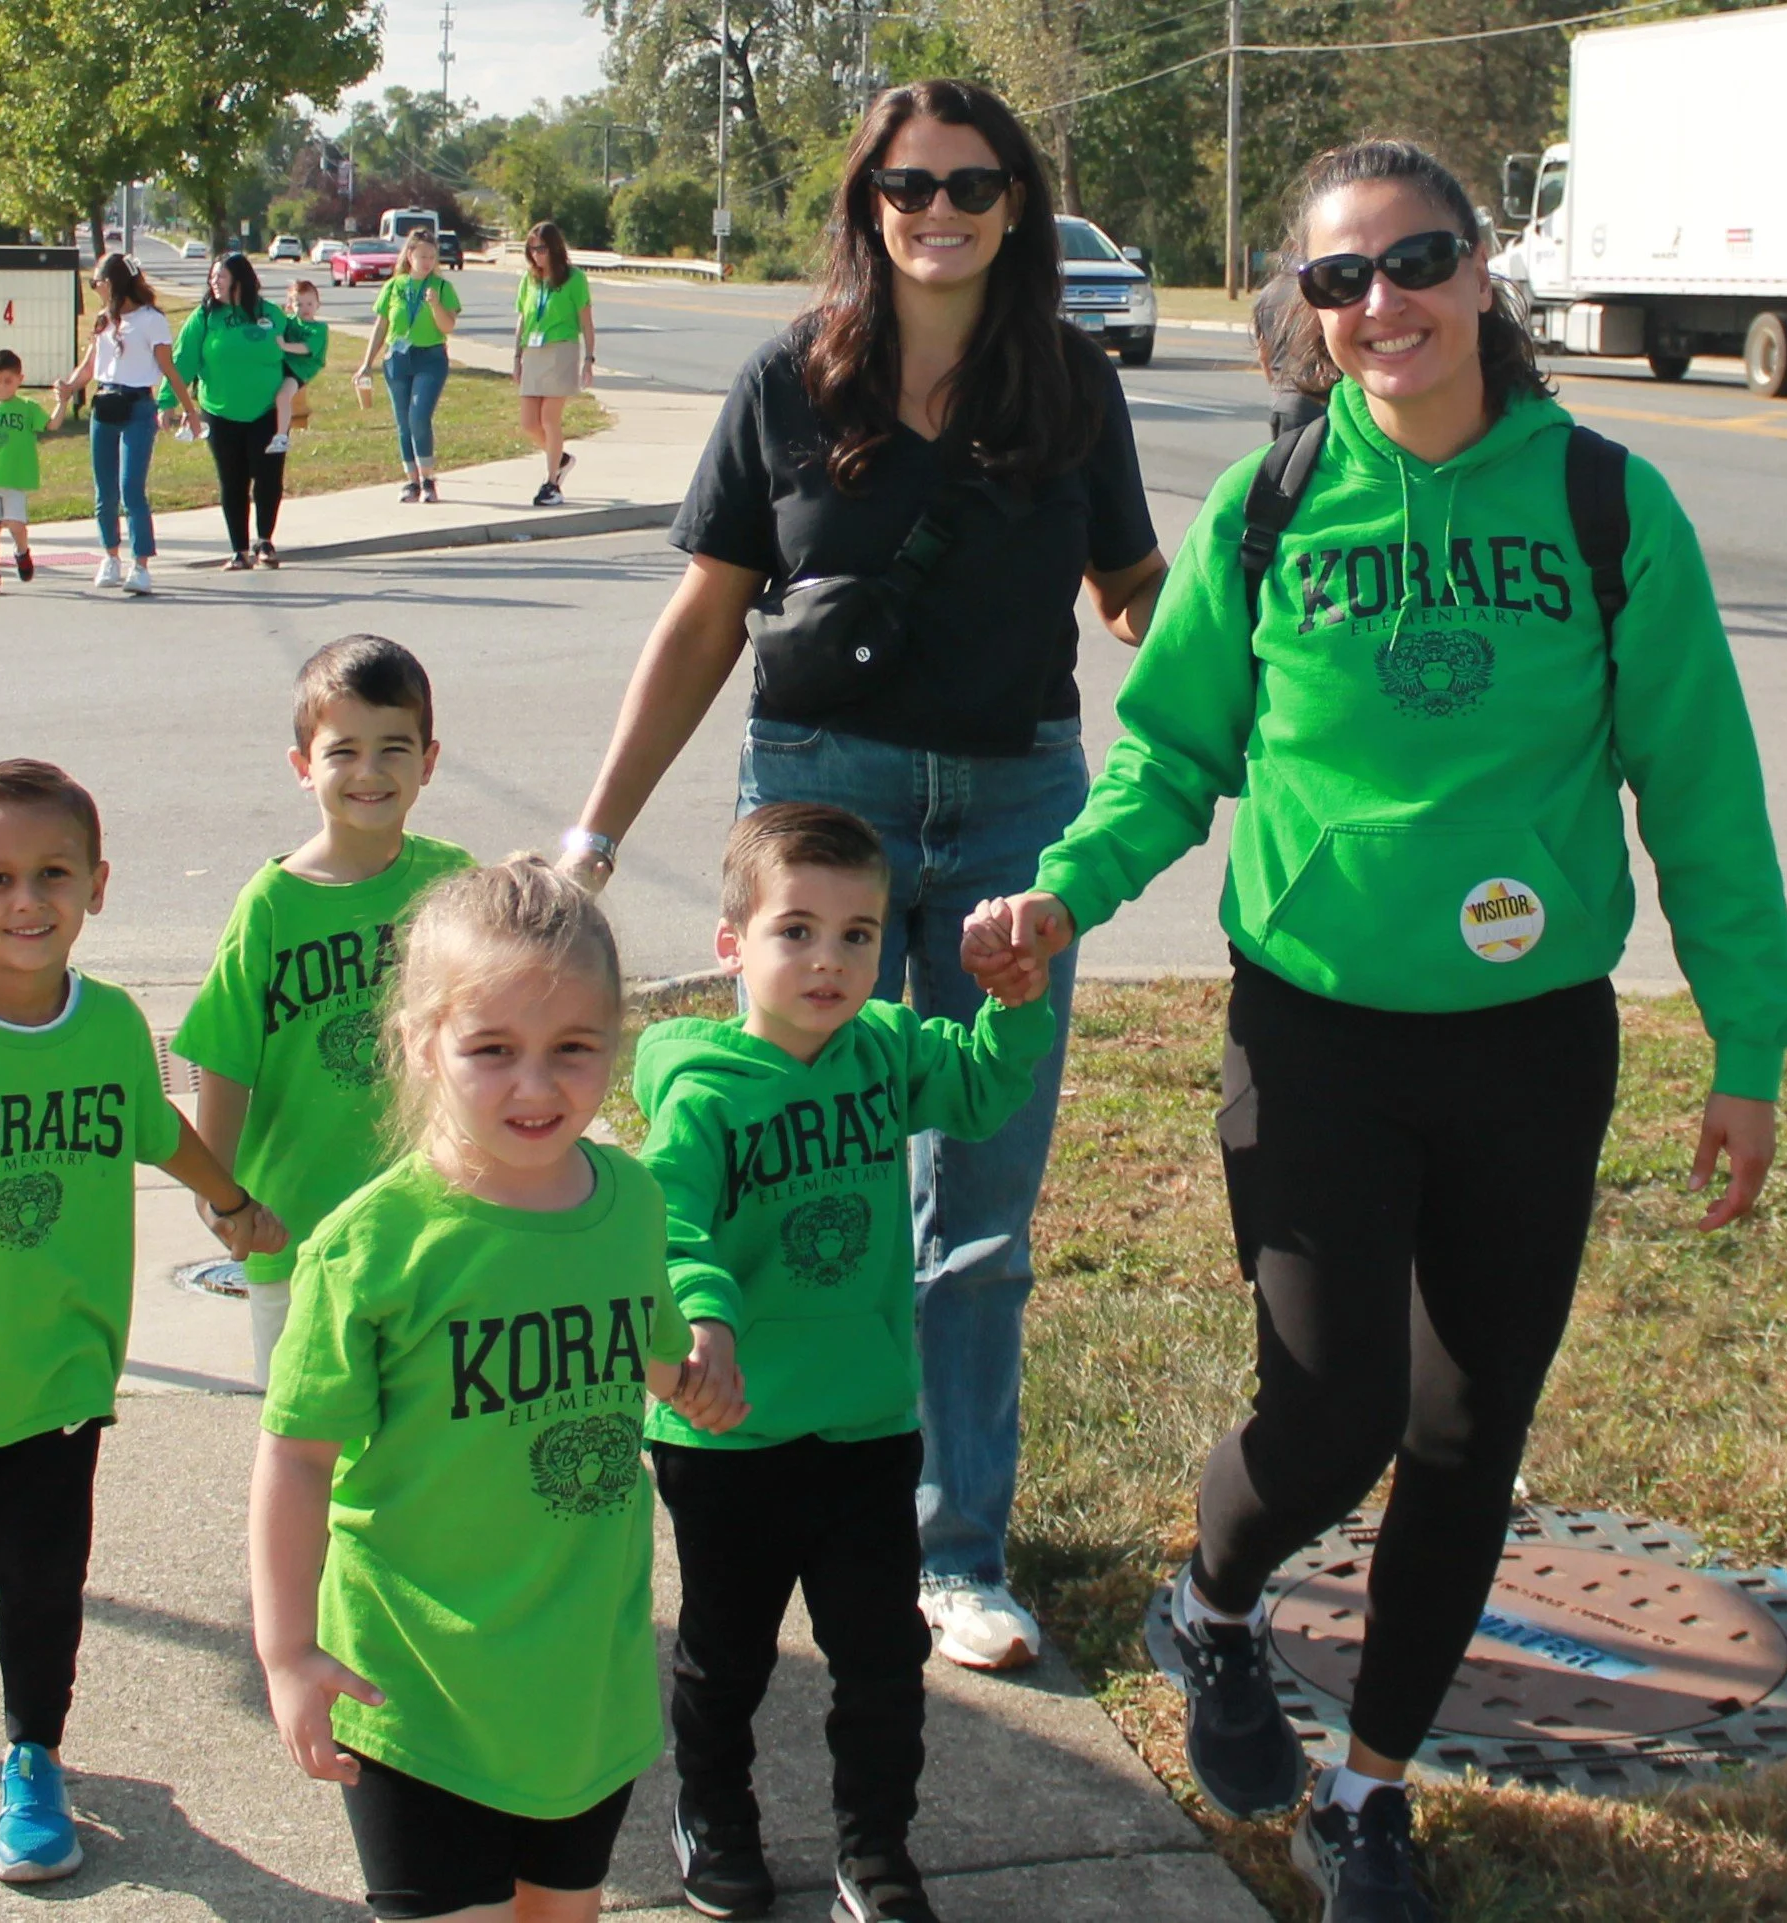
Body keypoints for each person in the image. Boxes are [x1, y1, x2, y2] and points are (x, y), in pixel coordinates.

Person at [975, 138, 1787, 1923]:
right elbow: (1170, 750)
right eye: (1336, 280)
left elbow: (1702, 792)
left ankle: (1369, 1790)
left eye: (1412, 261)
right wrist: (1065, 892)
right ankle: (1207, 1601)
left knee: (1462, 1437)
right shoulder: (1270, 508)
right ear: (1302, 306)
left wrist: (1747, 1043)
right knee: (1330, 1406)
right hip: (1317, 1031)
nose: (1379, 306)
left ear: (1480, 267)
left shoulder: (1600, 502)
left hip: (1528, 1044)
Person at [560, 77, 1166, 1674]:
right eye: (906, 185)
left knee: (974, 1199)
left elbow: (1133, 595)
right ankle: (768, 1470)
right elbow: (703, 619)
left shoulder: (1073, 389)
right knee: (781, 1164)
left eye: (969, 181)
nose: (937, 208)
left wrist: (1252, 658)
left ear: (1016, 201)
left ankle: (954, 1545)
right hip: (818, 808)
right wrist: (595, 831)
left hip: (1014, 806)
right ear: (867, 203)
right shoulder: (787, 377)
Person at [0, 758, 283, 1886]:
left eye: (53, 874)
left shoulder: (111, 1024)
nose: (28, 901)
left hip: (61, 1372)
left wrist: (227, 1200)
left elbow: (151, 1125)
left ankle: (36, 1763)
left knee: (43, 1580)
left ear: (97, 885)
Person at [249, 858, 724, 1923]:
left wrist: (691, 1378)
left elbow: (644, 1347)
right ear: (422, 1044)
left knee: (563, 1913)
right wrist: (287, 1651)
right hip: (410, 1681)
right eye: (492, 1051)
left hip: (578, 1685)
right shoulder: (370, 1249)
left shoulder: (631, 1204)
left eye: (572, 1050)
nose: (536, 1086)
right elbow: (294, 1455)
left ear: (615, 1043)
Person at [638, 804, 1051, 1923]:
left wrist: (1014, 1011)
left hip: (867, 1427)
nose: (829, 961)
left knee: (878, 1663)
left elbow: (975, 1086)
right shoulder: (700, 1091)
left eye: (858, 935)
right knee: (725, 1658)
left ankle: (873, 1851)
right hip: (728, 1435)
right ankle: (711, 1814)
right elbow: (666, 1237)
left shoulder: (881, 1052)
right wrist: (705, 1326)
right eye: (796, 932)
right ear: (732, 944)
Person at [172, 636, 473, 1386]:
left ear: (429, 762)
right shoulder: (271, 905)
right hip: (297, 1228)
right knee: (305, 1435)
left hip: (431, 1216)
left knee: (421, 1430)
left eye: (393, 748)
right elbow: (224, 1057)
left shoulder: (453, 881)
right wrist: (221, 1195)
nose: (369, 772)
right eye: (343, 751)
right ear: (303, 767)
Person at [62, 252, 200, 596]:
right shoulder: (103, 320)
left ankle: (141, 565)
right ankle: (110, 556)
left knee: (131, 490)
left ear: (114, 283)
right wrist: (68, 387)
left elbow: (169, 369)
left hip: (138, 406)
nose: (94, 286)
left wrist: (190, 410)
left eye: (98, 281)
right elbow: (91, 365)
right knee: (103, 490)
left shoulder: (151, 320)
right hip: (105, 405)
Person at [175, 252, 307, 570]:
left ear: (239, 280)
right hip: (219, 412)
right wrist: (170, 402)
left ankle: (264, 541)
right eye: (212, 277)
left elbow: (306, 348)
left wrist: (295, 380)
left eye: (221, 277)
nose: (214, 283)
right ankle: (238, 549)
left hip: (268, 410)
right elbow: (183, 359)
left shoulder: (271, 314)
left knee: (268, 476)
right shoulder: (205, 316)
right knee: (232, 479)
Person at [352, 232, 461, 504]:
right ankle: (411, 480)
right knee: (403, 422)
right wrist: (366, 363)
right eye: (422, 256)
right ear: (409, 255)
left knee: (419, 416)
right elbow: (381, 326)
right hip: (398, 359)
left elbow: (447, 326)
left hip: (431, 357)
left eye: (432, 257)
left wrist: (435, 304)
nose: (427, 262)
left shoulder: (442, 287)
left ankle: (428, 479)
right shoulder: (394, 286)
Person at [0, 349, 65, 597]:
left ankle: (21, 551)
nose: (2, 386)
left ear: (20, 379)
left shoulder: (27, 408)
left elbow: (51, 424)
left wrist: (63, 401)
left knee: (15, 524)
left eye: (8, 380)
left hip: (15, 478)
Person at [512, 221, 594, 507]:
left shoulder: (574, 278)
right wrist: (516, 357)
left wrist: (589, 359)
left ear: (555, 248)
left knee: (549, 418)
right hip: (532, 352)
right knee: (528, 422)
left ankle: (551, 483)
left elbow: (586, 321)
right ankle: (560, 459)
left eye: (542, 249)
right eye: (532, 249)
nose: (537, 255)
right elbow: (521, 318)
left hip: (562, 349)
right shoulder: (529, 280)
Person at [1250, 272, 1327, 438]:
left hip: (1284, 402)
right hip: (1317, 402)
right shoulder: (1317, 287)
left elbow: (1263, 354)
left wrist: (1278, 390)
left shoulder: (1266, 294)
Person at [267, 278, 331, 455]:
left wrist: (285, 346)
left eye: (310, 303)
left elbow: (305, 348)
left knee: (283, 396)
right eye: (299, 304)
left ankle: (281, 437)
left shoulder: (319, 329)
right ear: (290, 305)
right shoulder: (288, 321)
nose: (305, 308)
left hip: (299, 371)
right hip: (282, 364)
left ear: (318, 304)